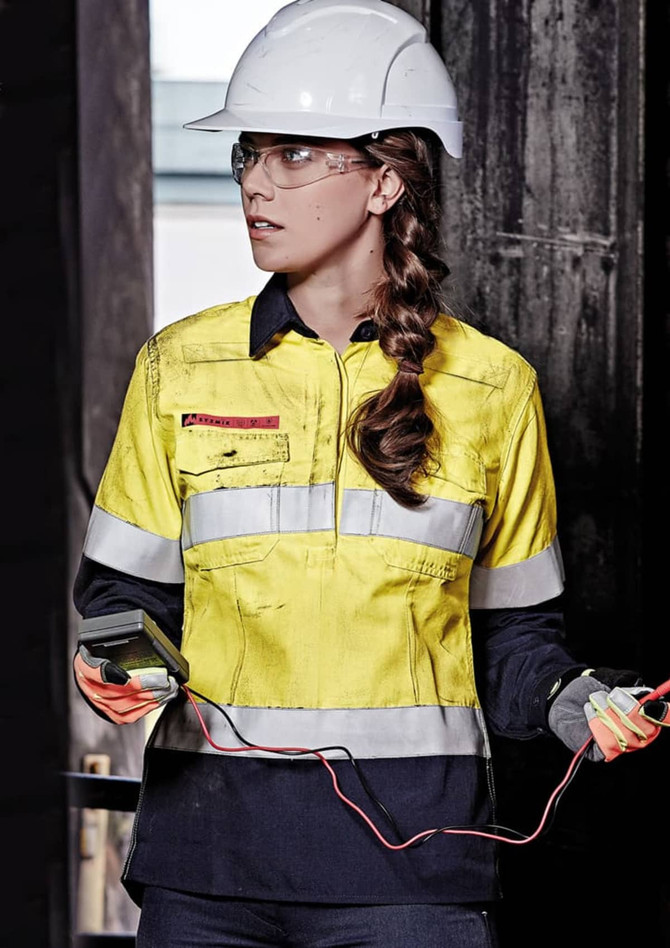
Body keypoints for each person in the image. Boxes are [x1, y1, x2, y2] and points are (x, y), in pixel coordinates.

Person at [72, 2, 669, 945]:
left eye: (294, 155)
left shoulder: (489, 387)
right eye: (248, 155)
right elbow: (119, 596)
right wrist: (114, 663)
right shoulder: (178, 366)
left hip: (411, 873)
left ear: (387, 181)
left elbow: (513, 642)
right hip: (208, 864)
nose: (256, 184)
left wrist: (579, 703)